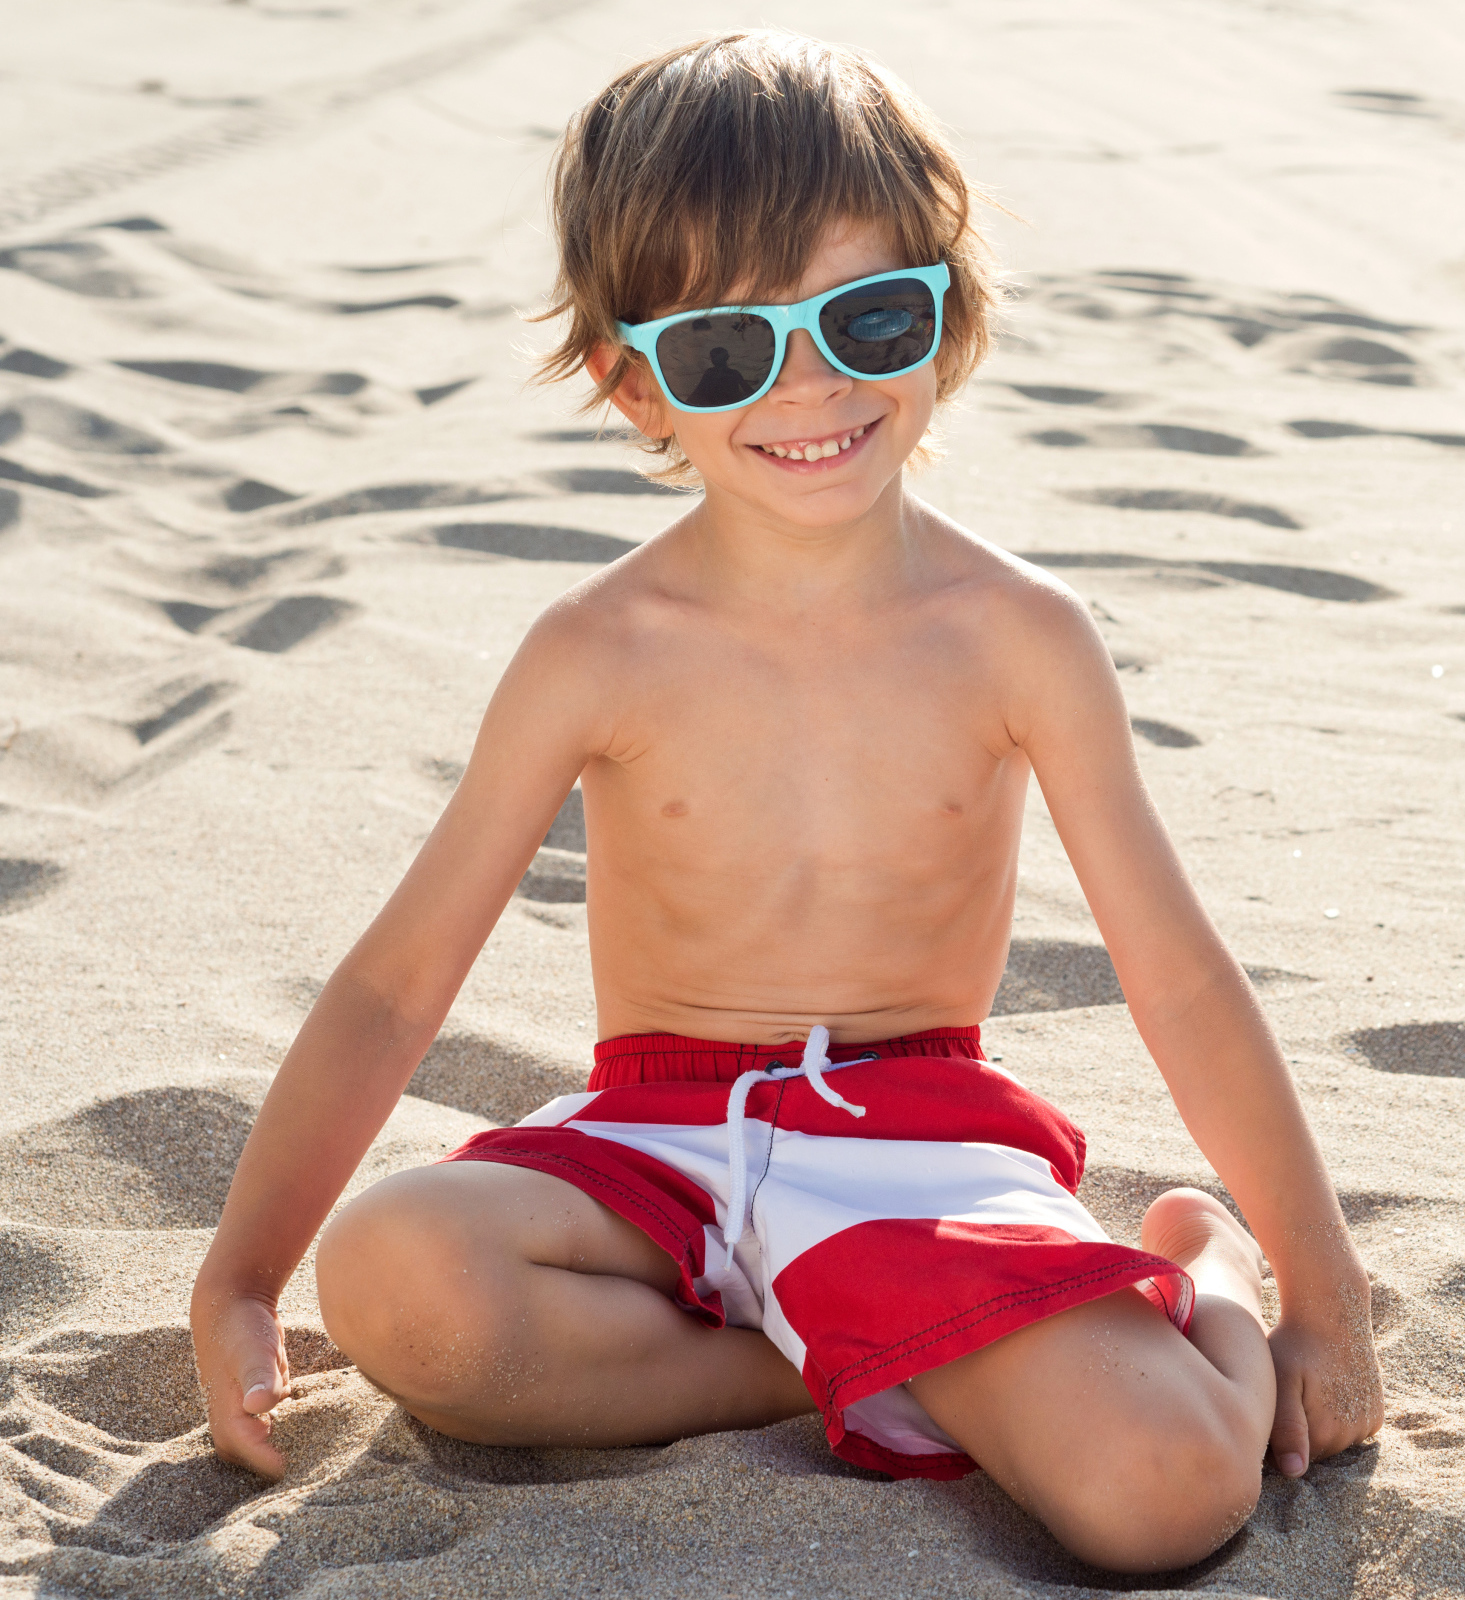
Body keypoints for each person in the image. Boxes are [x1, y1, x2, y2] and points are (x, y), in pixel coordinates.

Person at [188, 31, 1382, 1574]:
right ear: (633, 385)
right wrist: (242, 1275)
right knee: (401, 1276)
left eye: (866, 318)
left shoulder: (1019, 637)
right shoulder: (594, 652)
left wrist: (1320, 1297)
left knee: (1161, 1493)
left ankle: (1181, 1269)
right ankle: (852, 1361)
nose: (806, 387)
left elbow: (1180, 976)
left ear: (948, 323)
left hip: (923, 1146)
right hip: (657, 1147)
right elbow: (395, 984)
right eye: (721, 351)